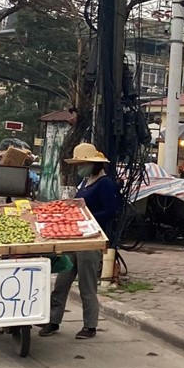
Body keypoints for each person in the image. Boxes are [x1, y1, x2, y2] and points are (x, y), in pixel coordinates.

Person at [39, 143, 122, 340]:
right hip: (74, 239)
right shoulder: (85, 182)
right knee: (61, 283)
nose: (79, 168)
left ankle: (90, 326)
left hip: (90, 241)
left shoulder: (104, 184)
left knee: (87, 286)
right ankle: (53, 321)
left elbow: (111, 211)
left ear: (93, 164)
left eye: (81, 164)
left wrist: (88, 216)